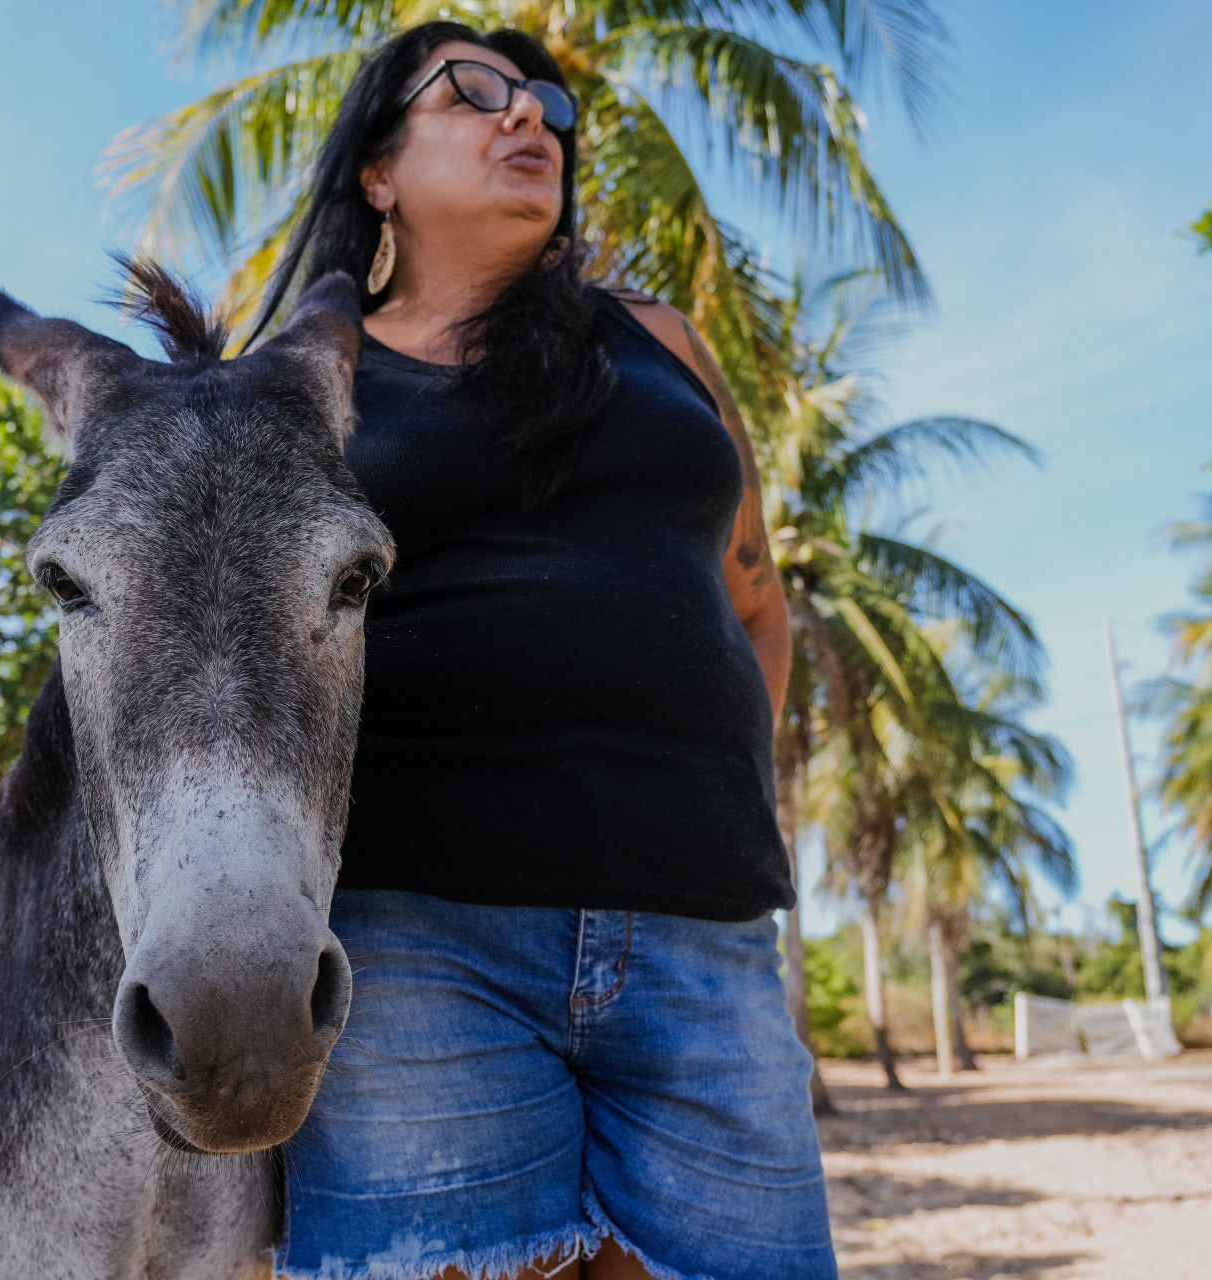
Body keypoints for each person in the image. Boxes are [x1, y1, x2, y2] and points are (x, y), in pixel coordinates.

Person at [245, 20, 837, 1280]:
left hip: (704, 931)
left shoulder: (661, 341)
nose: (530, 117)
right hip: (415, 940)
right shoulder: (301, 389)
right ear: (378, 172)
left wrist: (715, 796)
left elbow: (755, 601)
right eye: (474, 92)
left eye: (547, 106)